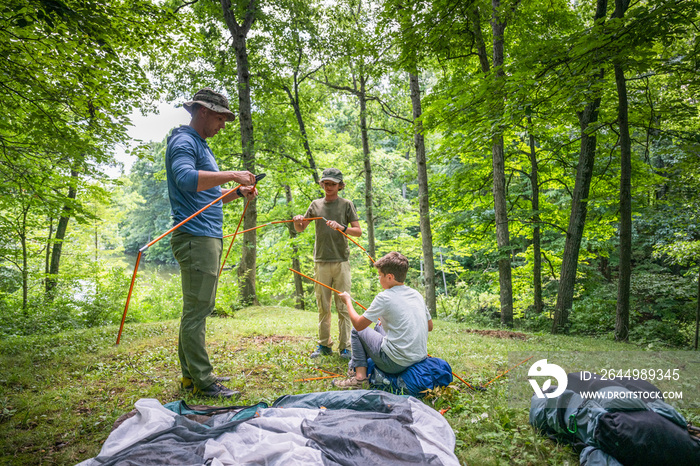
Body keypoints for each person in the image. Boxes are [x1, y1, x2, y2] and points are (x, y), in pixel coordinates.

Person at [165, 87, 258, 398]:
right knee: (198, 310)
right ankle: (203, 381)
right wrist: (232, 175)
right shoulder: (183, 141)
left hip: (204, 236)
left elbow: (204, 193)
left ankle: (191, 377)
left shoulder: (199, 144)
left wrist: (235, 192)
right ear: (202, 111)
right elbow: (186, 180)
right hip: (195, 237)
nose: (222, 125)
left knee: (197, 308)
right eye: (220, 118)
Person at [332, 251, 433, 389]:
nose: (379, 278)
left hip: (396, 363)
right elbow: (430, 326)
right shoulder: (416, 295)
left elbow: (358, 324)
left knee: (356, 331)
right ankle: (358, 365)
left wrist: (347, 301)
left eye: (380, 275)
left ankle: (359, 379)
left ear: (390, 277)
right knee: (379, 326)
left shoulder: (384, 297)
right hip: (418, 358)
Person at [293, 168, 362, 359]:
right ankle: (324, 345)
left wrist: (342, 227)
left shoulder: (346, 204)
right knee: (323, 306)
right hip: (321, 261)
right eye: (326, 183)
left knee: (343, 305)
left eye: (333, 183)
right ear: (322, 184)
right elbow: (301, 228)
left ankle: (345, 347)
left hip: (341, 261)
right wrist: (296, 221)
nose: (329, 187)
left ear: (340, 185)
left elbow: (358, 231)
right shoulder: (315, 205)